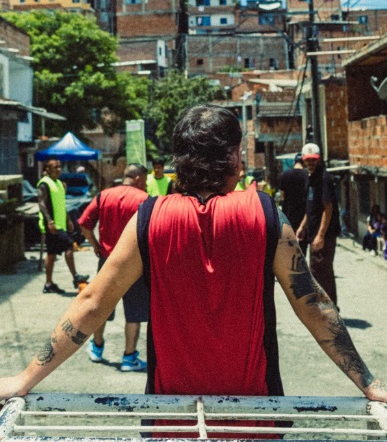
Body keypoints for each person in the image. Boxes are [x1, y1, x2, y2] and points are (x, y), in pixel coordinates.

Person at [1, 105, 387, 437]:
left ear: (178, 161)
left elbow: (92, 302)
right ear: (235, 157)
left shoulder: (150, 219)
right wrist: (368, 384)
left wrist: (24, 379)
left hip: (171, 420)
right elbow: (313, 305)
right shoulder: (265, 214)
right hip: (254, 420)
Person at [78, 163, 149, 372]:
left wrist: (96, 245)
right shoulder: (144, 200)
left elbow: (83, 223)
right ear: (138, 179)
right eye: (144, 180)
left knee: (101, 309)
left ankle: (97, 349)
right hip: (134, 264)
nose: (145, 184)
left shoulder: (103, 196)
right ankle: (129, 358)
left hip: (107, 261)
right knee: (134, 313)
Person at [296, 143, 341, 307]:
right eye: (308, 160)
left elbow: (327, 208)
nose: (311, 163)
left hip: (324, 236)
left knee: (318, 272)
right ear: (304, 160)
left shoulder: (323, 178)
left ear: (319, 159)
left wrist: (321, 235)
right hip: (313, 233)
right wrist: (302, 227)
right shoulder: (310, 177)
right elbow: (311, 208)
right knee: (324, 272)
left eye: (313, 160)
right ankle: (331, 308)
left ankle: (325, 308)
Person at [37, 157, 89, 294]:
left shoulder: (60, 184)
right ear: (47, 170)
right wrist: (49, 221)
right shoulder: (44, 184)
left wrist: (69, 221)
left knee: (51, 253)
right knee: (69, 245)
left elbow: (61, 204)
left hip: (61, 224)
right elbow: (41, 204)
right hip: (51, 225)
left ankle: (48, 284)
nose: (58, 169)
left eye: (59, 167)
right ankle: (76, 277)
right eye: (55, 167)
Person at [278, 152, 308, 255]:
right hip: (303, 217)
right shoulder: (306, 175)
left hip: (289, 215)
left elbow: (282, 195)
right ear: (303, 162)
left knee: (290, 248)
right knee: (302, 247)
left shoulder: (285, 174)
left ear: (294, 162)